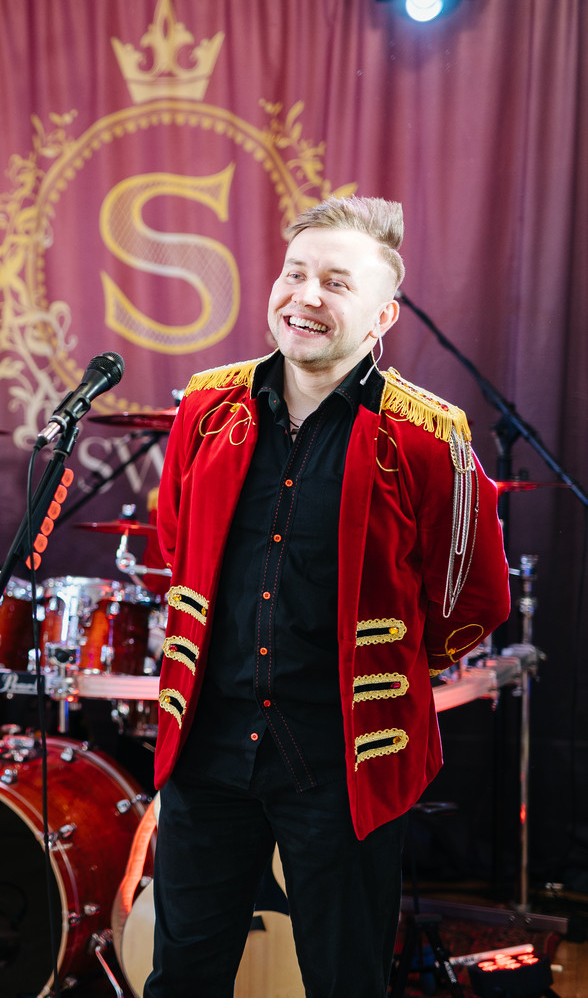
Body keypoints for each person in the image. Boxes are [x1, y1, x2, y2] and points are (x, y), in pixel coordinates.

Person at [144, 197, 512, 997]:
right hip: (208, 745)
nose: (305, 296)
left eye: (336, 283)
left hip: (347, 758)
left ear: (382, 316)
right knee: (181, 978)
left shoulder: (429, 437)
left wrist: (387, 665)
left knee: (346, 981)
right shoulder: (206, 409)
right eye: (294, 273)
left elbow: (474, 599)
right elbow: (175, 542)